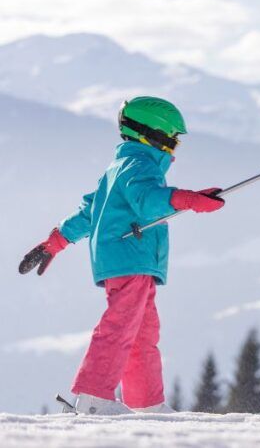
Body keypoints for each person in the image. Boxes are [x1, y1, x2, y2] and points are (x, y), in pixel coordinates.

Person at [18, 97, 226, 415]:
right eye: (172, 139)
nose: (174, 148)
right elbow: (147, 200)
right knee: (120, 325)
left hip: (129, 258)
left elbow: (90, 212)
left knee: (142, 332)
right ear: (152, 134)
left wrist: (55, 242)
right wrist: (188, 199)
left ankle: (146, 404)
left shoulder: (120, 166)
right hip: (129, 255)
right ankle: (94, 398)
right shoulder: (139, 166)